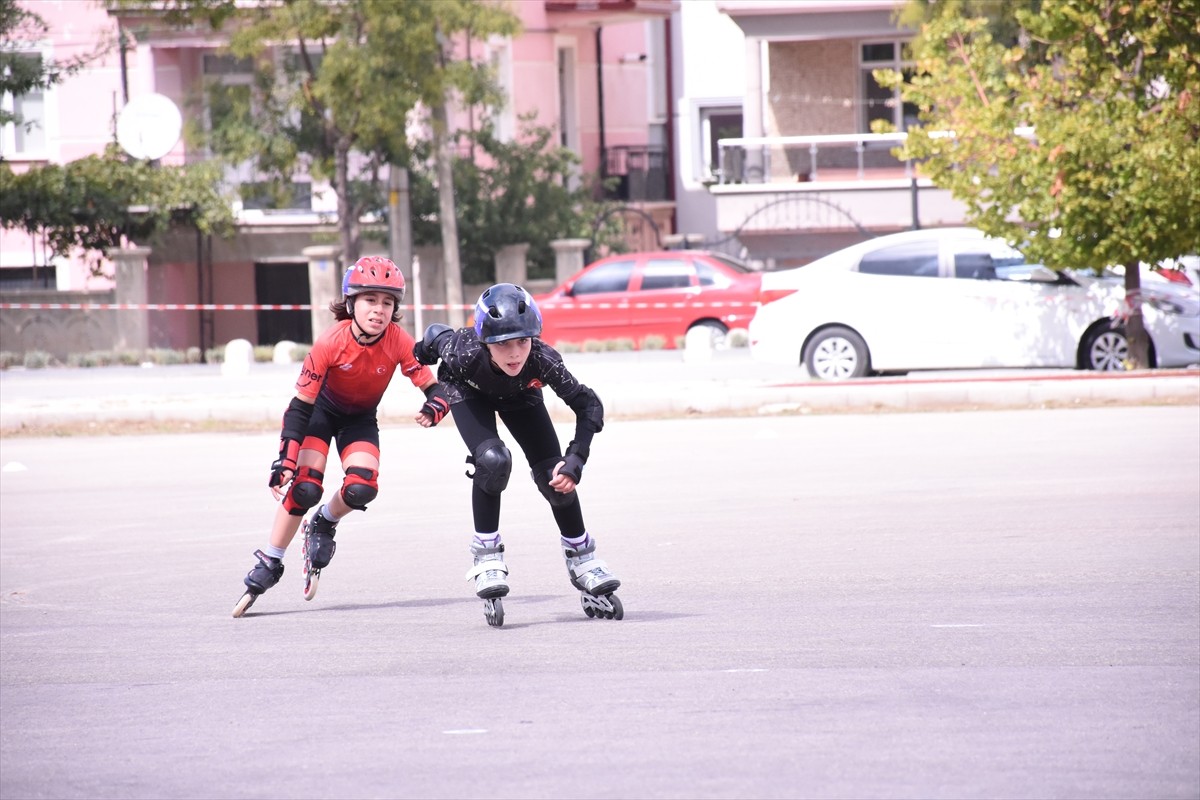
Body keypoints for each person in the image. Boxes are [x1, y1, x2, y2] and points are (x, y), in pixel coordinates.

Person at [232, 256, 451, 617]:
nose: (379, 310)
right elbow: (300, 407)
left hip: (359, 420)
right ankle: (271, 560)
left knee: (362, 488)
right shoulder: (329, 342)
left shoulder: (398, 340)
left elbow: (433, 387)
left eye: (387, 302)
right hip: (320, 414)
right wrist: (285, 459)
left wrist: (435, 407)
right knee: (305, 488)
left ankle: (324, 522)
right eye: (370, 300)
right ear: (351, 303)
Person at [413, 283, 623, 626]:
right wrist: (422, 352)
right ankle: (486, 554)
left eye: (521, 341)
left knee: (556, 477)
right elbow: (437, 335)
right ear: (485, 342)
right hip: (469, 391)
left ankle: (582, 557)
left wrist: (576, 459)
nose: (514, 354)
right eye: (503, 344)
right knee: (494, 461)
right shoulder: (463, 350)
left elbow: (589, 405)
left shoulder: (541, 358)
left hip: (521, 396)